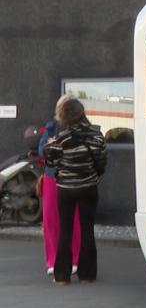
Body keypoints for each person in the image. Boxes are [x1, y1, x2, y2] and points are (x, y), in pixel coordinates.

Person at [43, 99, 106, 285]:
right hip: (89, 187)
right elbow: (102, 162)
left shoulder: (61, 138)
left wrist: (52, 147)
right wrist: (93, 174)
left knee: (65, 230)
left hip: (66, 190)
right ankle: (87, 275)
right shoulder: (96, 136)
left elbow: (50, 162)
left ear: (65, 115)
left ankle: (62, 276)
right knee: (87, 230)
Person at [38, 95, 81, 276]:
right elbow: (42, 150)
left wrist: (56, 146)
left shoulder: (80, 129)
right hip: (52, 178)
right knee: (51, 219)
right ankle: (53, 260)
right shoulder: (51, 127)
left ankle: (74, 260)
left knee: (74, 220)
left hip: (73, 178)